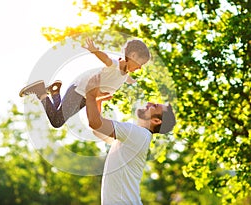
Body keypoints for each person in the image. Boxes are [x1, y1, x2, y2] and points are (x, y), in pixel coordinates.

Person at [85, 74, 176, 205]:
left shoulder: (137, 134)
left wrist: (91, 95)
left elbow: (95, 123)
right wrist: (97, 101)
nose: (149, 103)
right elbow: (97, 128)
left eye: (154, 106)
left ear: (156, 120)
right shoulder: (136, 138)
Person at [19, 38, 151, 128]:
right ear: (133, 56)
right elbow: (106, 59)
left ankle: (54, 92)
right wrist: (94, 50)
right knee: (57, 121)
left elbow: (122, 79)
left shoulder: (125, 74)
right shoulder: (115, 65)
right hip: (80, 90)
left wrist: (131, 82)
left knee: (60, 116)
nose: (140, 68)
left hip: (86, 97)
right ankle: (40, 91)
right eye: (141, 64)